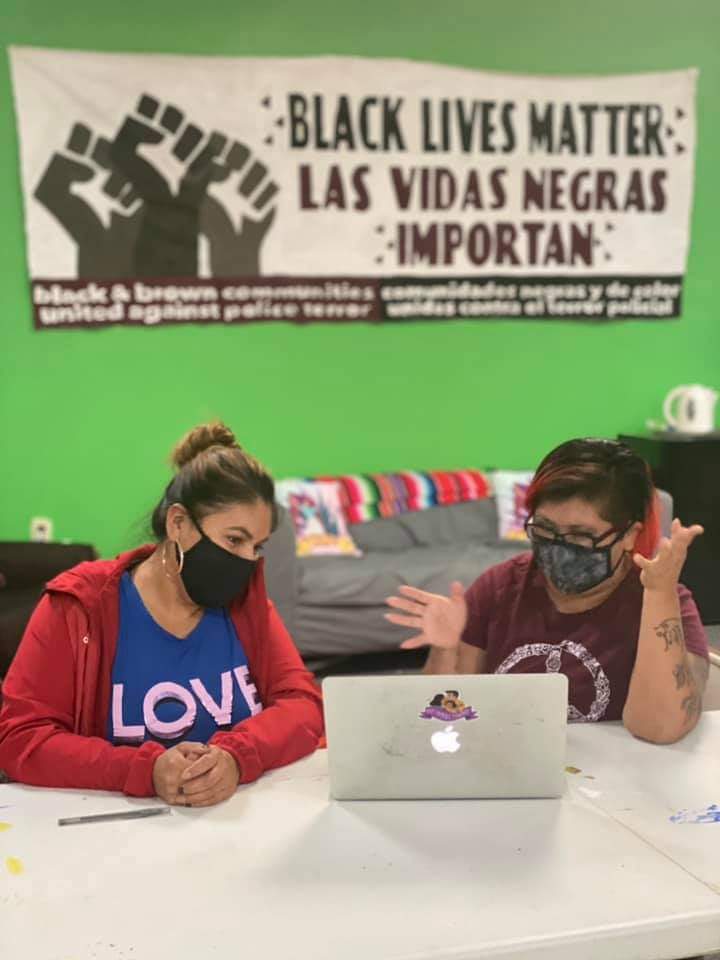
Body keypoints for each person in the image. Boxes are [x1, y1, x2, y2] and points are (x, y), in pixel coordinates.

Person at [0, 422, 323, 806]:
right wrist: (143, 770)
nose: (246, 561)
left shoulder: (247, 605)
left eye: (257, 547)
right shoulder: (79, 605)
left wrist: (238, 755)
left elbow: (303, 705)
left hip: (235, 825)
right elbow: (21, 738)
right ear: (178, 524)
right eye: (234, 539)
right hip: (111, 831)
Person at [385, 438, 709, 743]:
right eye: (544, 529)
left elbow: (660, 728)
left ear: (628, 535)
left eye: (581, 536)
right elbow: (444, 722)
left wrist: (659, 596)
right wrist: (445, 649)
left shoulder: (662, 602)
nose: (558, 548)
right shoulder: (500, 587)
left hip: (615, 775)